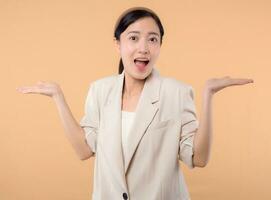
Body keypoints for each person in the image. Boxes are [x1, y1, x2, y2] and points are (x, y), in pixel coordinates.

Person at [16, 7, 253, 200]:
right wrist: (58, 97)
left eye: (153, 39)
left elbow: (198, 159)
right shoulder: (100, 90)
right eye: (133, 38)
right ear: (117, 44)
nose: (144, 48)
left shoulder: (177, 93)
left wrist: (208, 96)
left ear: (160, 45)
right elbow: (84, 150)